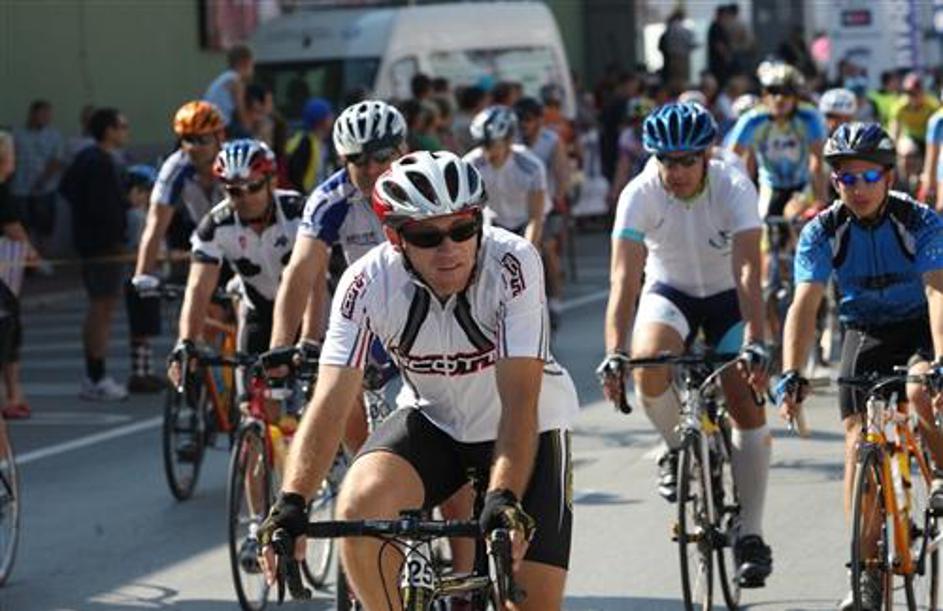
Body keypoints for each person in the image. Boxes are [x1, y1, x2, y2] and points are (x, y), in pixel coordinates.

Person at [257, 150, 578, 611]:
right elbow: (331, 400)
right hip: (435, 421)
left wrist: (503, 494)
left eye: (462, 229)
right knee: (359, 503)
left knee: (531, 605)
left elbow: (520, 400)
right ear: (395, 238)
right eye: (427, 236)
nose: (450, 249)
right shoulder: (365, 283)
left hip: (528, 428)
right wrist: (291, 502)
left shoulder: (513, 263)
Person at [598, 102, 774, 586]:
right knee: (647, 364)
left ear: (706, 155)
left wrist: (756, 341)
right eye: (665, 161)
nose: (674, 172)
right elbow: (623, 281)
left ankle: (751, 533)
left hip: (727, 296)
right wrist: (614, 352)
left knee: (744, 399)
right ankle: (678, 447)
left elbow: (748, 271)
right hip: (670, 291)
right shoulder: (639, 193)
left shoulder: (734, 185)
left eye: (685, 161)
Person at [775, 122, 943, 610]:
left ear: (888, 177)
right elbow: (804, 304)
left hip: (918, 324)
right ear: (835, 182)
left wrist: (941, 360)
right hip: (864, 330)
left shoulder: (920, 220)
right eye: (847, 178)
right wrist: (793, 372)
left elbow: (937, 291)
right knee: (857, 441)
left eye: (869, 176)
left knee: (918, 390)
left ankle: (940, 473)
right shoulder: (822, 230)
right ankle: (865, 569)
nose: (859, 188)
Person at [267, 100, 408, 452]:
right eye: (358, 159)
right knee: (334, 395)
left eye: (382, 156)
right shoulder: (331, 198)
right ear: (343, 159)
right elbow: (300, 271)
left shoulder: (425, 185)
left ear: (403, 150)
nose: (371, 168)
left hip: (429, 305)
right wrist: (281, 346)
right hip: (372, 311)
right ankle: (365, 465)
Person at [167, 138, 304, 402]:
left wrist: (310, 341)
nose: (246, 197)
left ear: (272, 181)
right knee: (252, 406)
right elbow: (198, 289)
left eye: (253, 187)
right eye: (234, 191)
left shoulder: (299, 212)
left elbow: (317, 281)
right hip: (259, 311)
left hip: (307, 310)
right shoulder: (216, 225)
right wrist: (186, 341)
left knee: (326, 400)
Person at [130, 101, 227, 393]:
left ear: (220, 137)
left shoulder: (233, 162)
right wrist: (142, 275)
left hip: (241, 242)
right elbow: (155, 224)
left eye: (202, 140)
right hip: (206, 243)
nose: (193, 147)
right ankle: (198, 375)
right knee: (198, 311)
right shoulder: (176, 167)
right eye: (187, 139)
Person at [59, 107, 132, 401]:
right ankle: (96, 376)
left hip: (94, 244)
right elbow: (104, 208)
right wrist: (113, 238)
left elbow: (66, 189)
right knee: (102, 309)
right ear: (109, 130)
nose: (125, 131)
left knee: (101, 308)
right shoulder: (99, 161)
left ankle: (95, 374)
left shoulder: (87, 158)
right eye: (122, 126)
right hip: (103, 247)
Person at [728, 61, 827, 219]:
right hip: (770, 185)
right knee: (762, 222)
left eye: (786, 93)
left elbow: (817, 162)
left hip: (803, 184)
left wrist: (821, 201)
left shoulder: (810, 117)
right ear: (764, 95)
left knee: (795, 217)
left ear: (796, 97)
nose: (779, 98)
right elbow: (731, 160)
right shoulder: (752, 119)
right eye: (773, 92)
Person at [514, 97, 570, 328]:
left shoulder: (551, 140)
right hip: (517, 206)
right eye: (519, 120)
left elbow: (561, 172)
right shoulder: (511, 139)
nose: (523, 124)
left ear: (539, 120)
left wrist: (560, 196)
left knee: (547, 248)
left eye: (527, 119)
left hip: (546, 205)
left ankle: (555, 299)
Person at [464, 105, 546, 247]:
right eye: (481, 144)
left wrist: (527, 249)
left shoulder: (531, 167)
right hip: (495, 222)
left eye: (491, 144)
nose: (486, 151)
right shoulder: (470, 165)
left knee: (543, 251)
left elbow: (535, 217)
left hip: (524, 221)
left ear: (509, 140)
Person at [0, 132, 38, 419]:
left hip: (8, 275)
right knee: (8, 333)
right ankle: (10, 395)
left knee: (10, 332)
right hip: (4, 276)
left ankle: (14, 392)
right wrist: (33, 253)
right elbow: (13, 228)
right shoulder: (2, 193)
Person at [10, 100, 64, 251]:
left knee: (44, 227)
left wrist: (42, 180)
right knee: (22, 226)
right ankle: (25, 256)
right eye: (43, 114)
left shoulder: (54, 136)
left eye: (48, 115)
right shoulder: (17, 134)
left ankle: (43, 256)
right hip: (20, 189)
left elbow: (57, 161)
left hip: (45, 189)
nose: (46, 118)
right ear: (33, 114)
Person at [285, 97, 334, 194]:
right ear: (322, 120)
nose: (332, 118)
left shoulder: (323, 143)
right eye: (329, 115)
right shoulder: (305, 143)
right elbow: (296, 175)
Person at [204, 44, 254, 136]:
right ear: (244, 62)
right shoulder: (236, 80)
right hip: (220, 125)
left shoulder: (224, 77)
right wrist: (249, 129)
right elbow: (240, 108)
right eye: (251, 64)